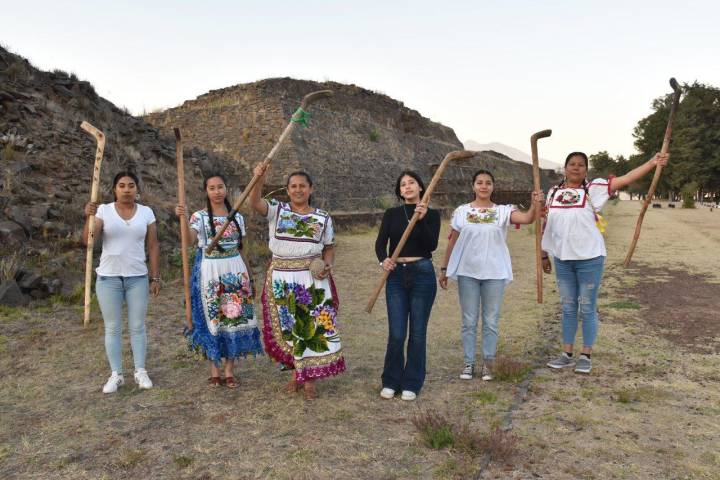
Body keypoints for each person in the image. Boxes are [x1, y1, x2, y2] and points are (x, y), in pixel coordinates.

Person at [543, 151, 669, 374]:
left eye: (581, 165)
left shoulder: (595, 188)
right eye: (571, 164)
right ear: (564, 167)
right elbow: (546, 224)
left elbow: (627, 178)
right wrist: (544, 254)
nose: (576, 167)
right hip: (563, 259)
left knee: (588, 307)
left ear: (586, 169)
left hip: (589, 258)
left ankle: (586, 354)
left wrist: (652, 162)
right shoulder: (553, 193)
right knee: (568, 307)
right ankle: (566, 353)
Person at [249, 163, 344, 400]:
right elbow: (254, 203)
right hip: (281, 277)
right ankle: (295, 374)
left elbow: (329, 247)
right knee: (289, 325)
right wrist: (258, 178)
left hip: (311, 277)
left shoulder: (322, 217)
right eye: (293, 186)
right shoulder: (277, 210)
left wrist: (327, 265)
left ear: (311, 189)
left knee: (311, 326)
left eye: (303, 186)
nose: (298, 190)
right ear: (287, 190)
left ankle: (309, 379)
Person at [438, 170, 542, 381]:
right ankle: (468, 363)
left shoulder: (503, 211)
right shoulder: (461, 212)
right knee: (468, 320)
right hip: (468, 272)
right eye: (479, 182)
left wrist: (534, 204)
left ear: (493, 187)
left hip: (494, 272)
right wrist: (444, 269)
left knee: (490, 320)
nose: (484, 186)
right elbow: (452, 240)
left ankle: (488, 363)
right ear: (473, 186)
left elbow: (528, 218)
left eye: (488, 183)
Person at [175, 173, 263, 389]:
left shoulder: (237, 217)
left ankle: (229, 370)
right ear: (206, 191)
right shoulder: (199, 217)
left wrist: (249, 277)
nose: (217, 192)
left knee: (233, 318)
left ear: (226, 189)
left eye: (220, 187)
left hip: (234, 270)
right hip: (209, 271)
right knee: (212, 318)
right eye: (212, 188)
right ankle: (214, 369)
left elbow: (242, 250)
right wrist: (183, 218)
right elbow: (188, 241)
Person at [83, 171, 160, 393]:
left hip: (137, 278)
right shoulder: (104, 211)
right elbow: (88, 241)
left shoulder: (146, 212)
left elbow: (153, 245)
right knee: (113, 328)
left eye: (131, 185)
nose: (126, 189)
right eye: (122, 185)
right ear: (115, 189)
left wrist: (155, 277)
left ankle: (140, 370)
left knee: (137, 326)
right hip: (108, 279)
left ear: (137, 189)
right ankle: (116, 374)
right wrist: (89, 218)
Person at [375, 170, 440, 401]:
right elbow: (381, 244)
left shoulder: (432, 215)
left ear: (421, 187)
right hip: (395, 277)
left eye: (412, 182)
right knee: (397, 333)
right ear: (400, 191)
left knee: (418, 333)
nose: (408, 187)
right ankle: (391, 380)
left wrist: (421, 221)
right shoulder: (392, 213)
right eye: (403, 184)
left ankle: (412, 381)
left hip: (422, 273)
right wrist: (384, 260)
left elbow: (430, 245)